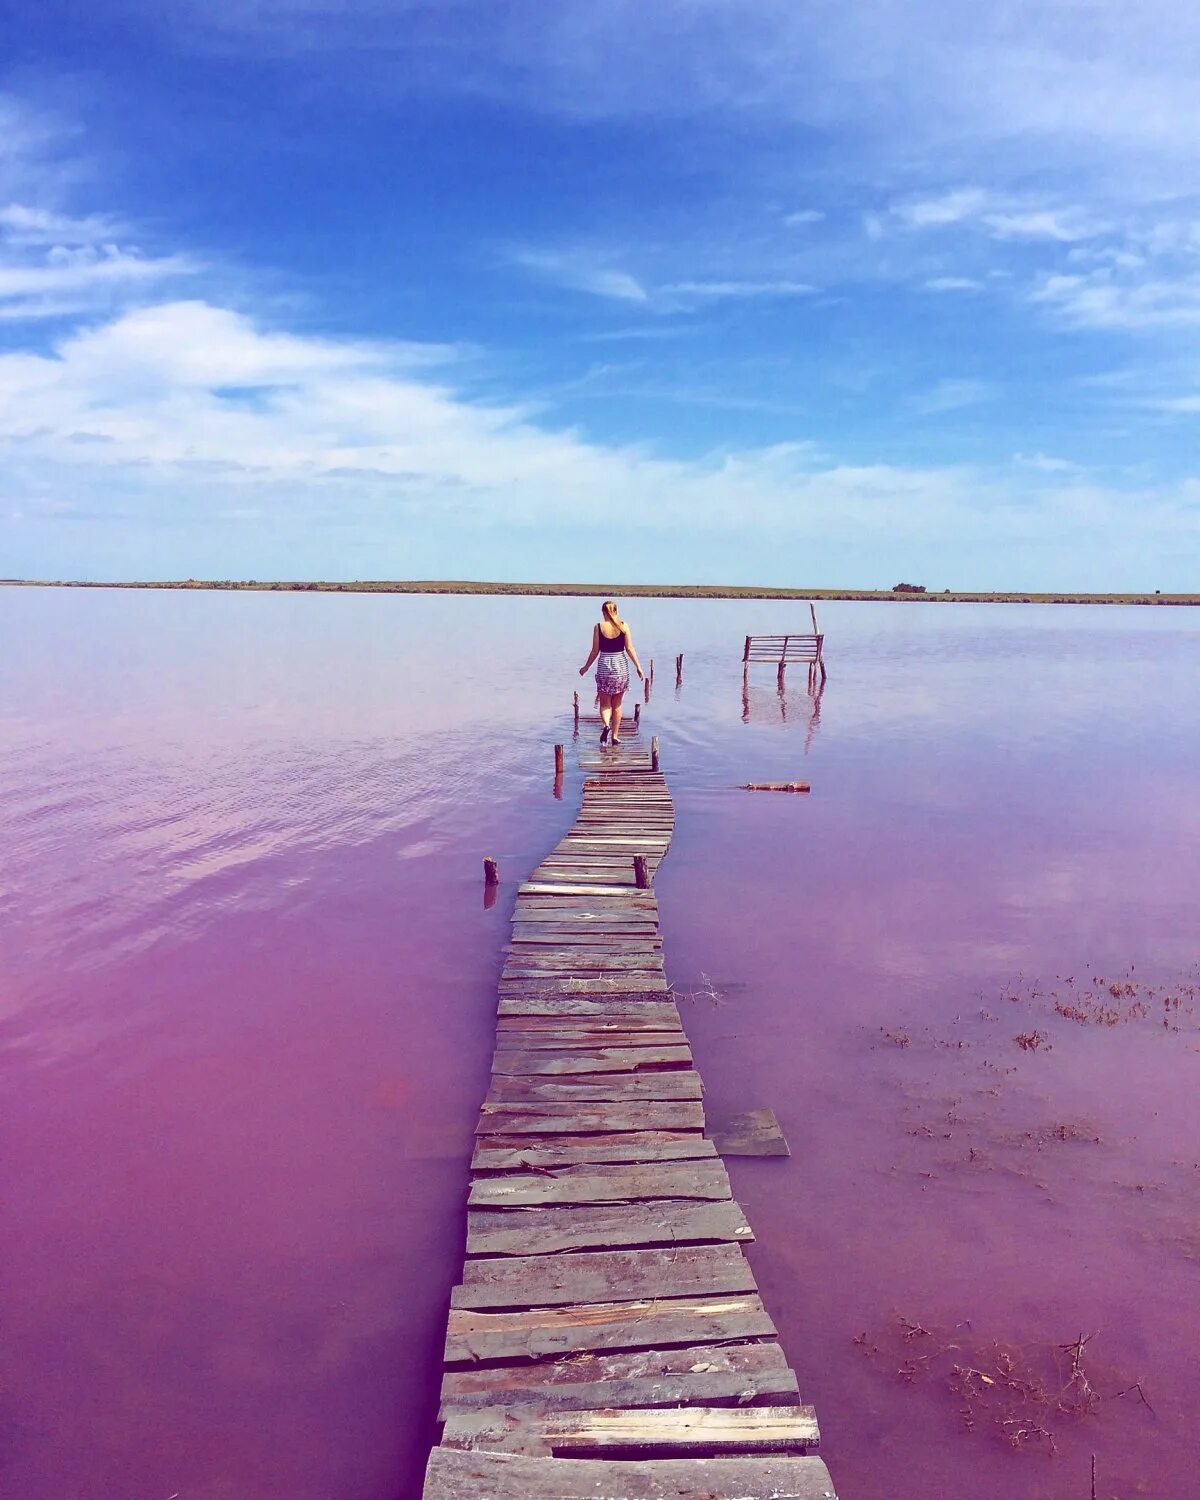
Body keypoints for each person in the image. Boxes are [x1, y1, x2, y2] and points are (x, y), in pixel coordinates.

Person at [578, 599, 645, 745]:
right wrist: (638, 666)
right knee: (618, 704)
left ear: (603, 613)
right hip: (620, 668)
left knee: (605, 704)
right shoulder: (624, 626)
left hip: (604, 668)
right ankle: (615, 736)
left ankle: (606, 725)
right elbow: (629, 648)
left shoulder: (598, 627)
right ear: (616, 611)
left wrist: (586, 667)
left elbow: (595, 651)